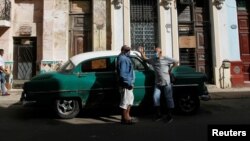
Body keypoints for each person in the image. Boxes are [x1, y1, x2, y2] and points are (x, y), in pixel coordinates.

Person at [138, 46, 178, 123]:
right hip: (157, 82)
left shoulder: (166, 58)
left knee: (168, 98)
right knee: (155, 97)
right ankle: (158, 114)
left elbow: (176, 61)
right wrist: (141, 52)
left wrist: (170, 69)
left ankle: (169, 115)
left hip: (166, 82)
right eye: (154, 52)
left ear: (160, 52)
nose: (155, 53)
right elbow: (145, 59)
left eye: (156, 52)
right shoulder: (153, 59)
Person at [117, 45, 136, 124]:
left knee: (128, 101)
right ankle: (126, 119)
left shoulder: (123, 58)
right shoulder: (123, 59)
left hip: (127, 83)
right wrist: (128, 84)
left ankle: (126, 117)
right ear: (123, 51)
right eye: (127, 50)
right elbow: (122, 74)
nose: (129, 51)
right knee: (126, 102)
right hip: (126, 84)